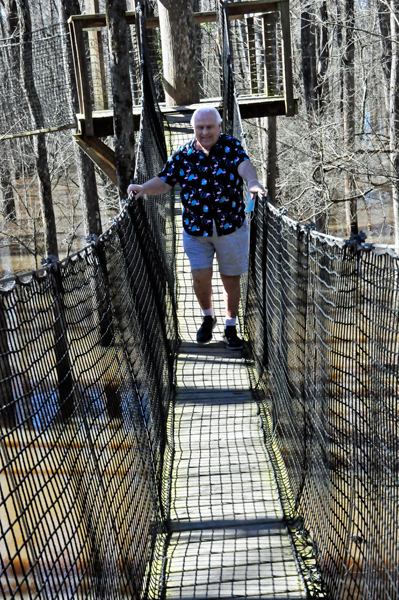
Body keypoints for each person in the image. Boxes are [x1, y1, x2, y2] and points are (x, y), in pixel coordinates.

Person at [127, 106, 266, 350]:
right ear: (193, 129)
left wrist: (252, 183)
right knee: (200, 277)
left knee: (230, 279)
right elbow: (164, 180)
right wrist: (143, 188)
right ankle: (207, 317)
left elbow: (245, 165)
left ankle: (230, 326)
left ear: (219, 127)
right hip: (196, 230)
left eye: (209, 127)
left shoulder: (231, 146)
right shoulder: (183, 154)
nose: (204, 132)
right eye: (200, 127)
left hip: (230, 227)